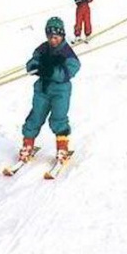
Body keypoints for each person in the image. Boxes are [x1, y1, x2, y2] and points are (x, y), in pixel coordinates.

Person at [18, 17, 81, 165]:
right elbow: (31, 63)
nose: (53, 40)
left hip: (60, 91)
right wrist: (37, 66)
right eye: (50, 37)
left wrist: (51, 71)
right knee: (35, 116)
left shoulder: (66, 52)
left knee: (58, 118)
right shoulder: (43, 49)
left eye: (56, 37)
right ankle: (28, 144)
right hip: (42, 89)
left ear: (62, 35)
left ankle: (62, 148)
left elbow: (72, 68)